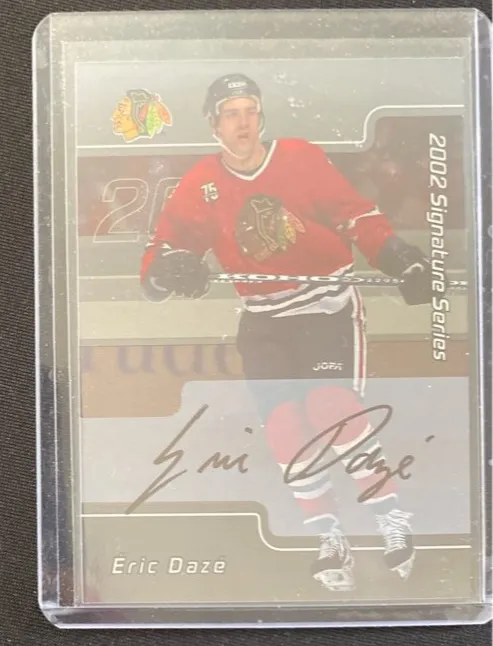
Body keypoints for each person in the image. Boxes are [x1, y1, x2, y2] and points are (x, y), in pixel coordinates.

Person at [140, 73, 434, 592]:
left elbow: (356, 216)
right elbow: (162, 251)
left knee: (328, 408)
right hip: (263, 318)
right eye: (231, 113)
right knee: (283, 427)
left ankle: (390, 517)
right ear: (213, 124)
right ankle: (329, 537)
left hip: (326, 306)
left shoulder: (299, 157)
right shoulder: (201, 184)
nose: (243, 122)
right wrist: (167, 270)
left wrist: (399, 257)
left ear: (261, 116)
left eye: (250, 110)